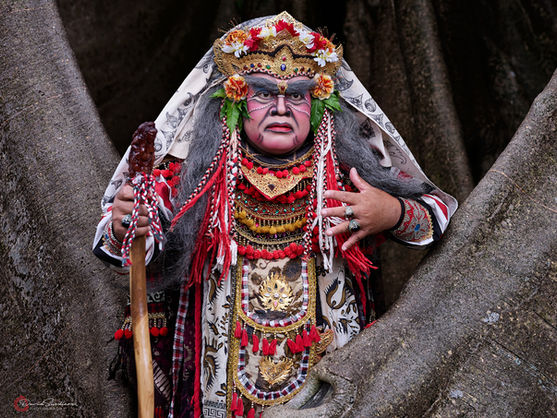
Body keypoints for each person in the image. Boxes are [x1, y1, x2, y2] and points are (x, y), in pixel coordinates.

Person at [93, 12, 456, 418]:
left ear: (319, 102)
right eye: (264, 94)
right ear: (234, 98)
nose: (281, 108)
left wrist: (391, 212)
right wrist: (129, 222)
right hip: (218, 386)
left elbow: (436, 212)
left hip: (330, 381)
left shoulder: (349, 167)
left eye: (297, 96)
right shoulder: (197, 170)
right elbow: (132, 233)